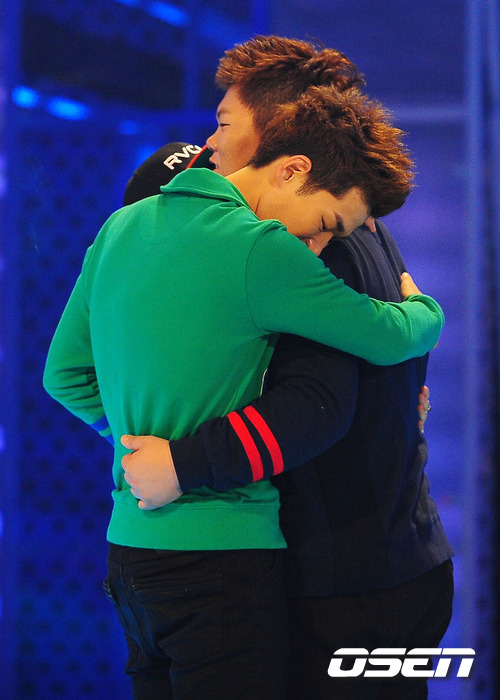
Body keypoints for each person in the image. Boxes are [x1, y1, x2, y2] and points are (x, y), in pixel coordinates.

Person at [43, 81, 443, 698]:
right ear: (292, 169)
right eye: (326, 225)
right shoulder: (262, 250)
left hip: (130, 552)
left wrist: (136, 442)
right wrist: (426, 310)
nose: (320, 246)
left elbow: (64, 375)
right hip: (229, 551)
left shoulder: (121, 225)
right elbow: (382, 341)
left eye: (225, 124)